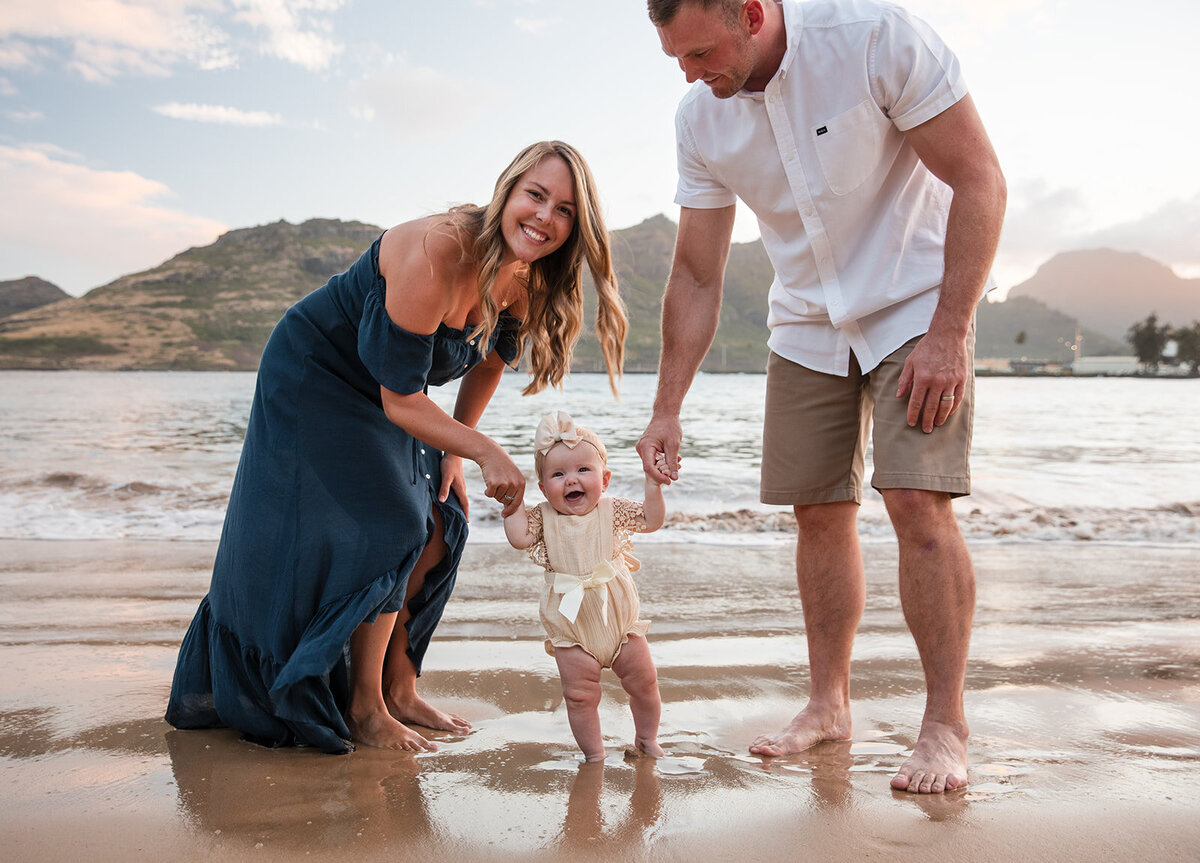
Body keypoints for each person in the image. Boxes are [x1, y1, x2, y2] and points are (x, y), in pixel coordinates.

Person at [638, 0, 1006, 794]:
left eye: (701, 52)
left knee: (915, 498)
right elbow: (698, 274)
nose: (692, 75)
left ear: (752, 13)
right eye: (675, 59)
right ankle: (828, 704)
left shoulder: (874, 38)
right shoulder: (701, 118)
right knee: (817, 510)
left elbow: (980, 178)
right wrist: (666, 406)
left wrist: (952, 330)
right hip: (805, 318)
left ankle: (945, 723)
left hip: (916, 299)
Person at [166, 141, 628, 754]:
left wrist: (456, 453)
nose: (544, 218)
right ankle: (364, 707)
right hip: (317, 374)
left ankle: (400, 687)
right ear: (507, 192)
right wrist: (488, 450)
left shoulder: (528, 272)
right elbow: (401, 401)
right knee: (393, 521)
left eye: (564, 210)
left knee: (438, 521)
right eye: (535, 196)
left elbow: (489, 362)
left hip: (390, 387)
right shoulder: (438, 252)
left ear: (577, 226)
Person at [504, 411, 668, 762]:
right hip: (571, 624)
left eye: (583, 470)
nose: (571, 480)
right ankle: (594, 755)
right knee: (579, 695)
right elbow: (519, 538)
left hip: (620, 620)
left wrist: (652, 484)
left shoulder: (612, 510)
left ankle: (647, 739)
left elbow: (651, 520)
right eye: (558, 474)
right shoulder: (544, 517)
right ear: (544, 487)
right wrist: (512, 504)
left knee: (644, 683)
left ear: (604, 479)